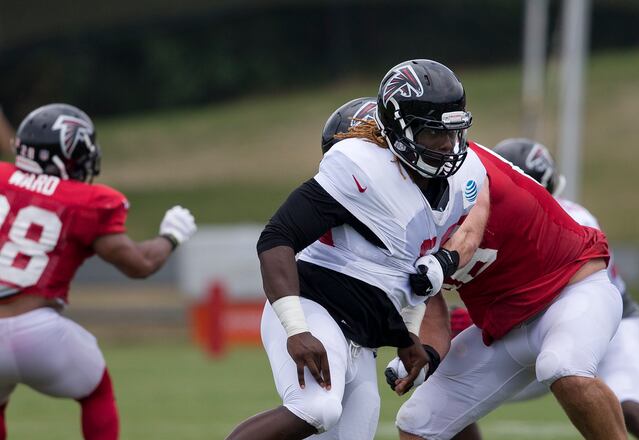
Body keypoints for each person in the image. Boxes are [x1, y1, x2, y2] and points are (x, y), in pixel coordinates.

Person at [226, 59, 486, 440]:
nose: (447, 146)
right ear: (399, 129)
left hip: (362, 337)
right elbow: (276, 237)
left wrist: (406, 338)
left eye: (452, 132)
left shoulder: (462, 183)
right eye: (433, 134)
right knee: (315, 408)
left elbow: (405, 276)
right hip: (316, 309)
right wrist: (296, 329)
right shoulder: (362, 169)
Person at [443, 139, 639, 440]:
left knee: (629, 409)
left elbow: (554, 292)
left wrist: (473, 320)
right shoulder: (484, 218)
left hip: (604, 321)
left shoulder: (573, 218)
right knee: (449, 395)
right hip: (533, 327)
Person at [393, 138, 629, 439]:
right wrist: (427, 354)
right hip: (503, 327)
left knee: (562, 366)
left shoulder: (463, 164)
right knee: (417, 422)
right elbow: (431, 304)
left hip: (570, 293)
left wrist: (442, 261)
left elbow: (469, 234)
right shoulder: (400, 215)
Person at [0, 103, 197, 440]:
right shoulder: (84, 201)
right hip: (39, 330)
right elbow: (140, 264)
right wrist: (171, 236)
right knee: (96, 392)